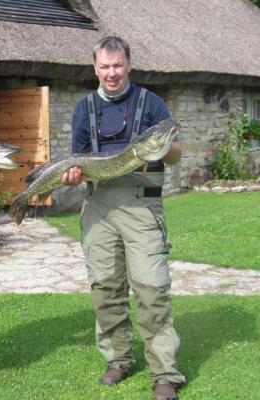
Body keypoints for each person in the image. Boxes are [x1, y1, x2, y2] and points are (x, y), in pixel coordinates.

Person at [61, 36, 186, 400]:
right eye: (104, 67)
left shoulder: (151, 103)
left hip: (141, 204)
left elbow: (175, 154)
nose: (111, 73)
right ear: (95, 68)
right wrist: (73, 174)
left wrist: (166, 148)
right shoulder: (84, 109)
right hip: (98, 203)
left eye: (117, 65)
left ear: (129, 64)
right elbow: (78, 160)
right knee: (105, 288)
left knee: (151, 288)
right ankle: (118, 358)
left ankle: (165, 372)